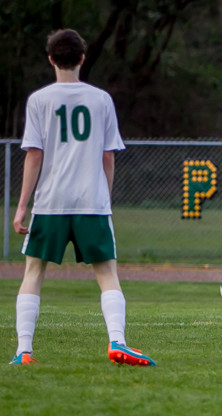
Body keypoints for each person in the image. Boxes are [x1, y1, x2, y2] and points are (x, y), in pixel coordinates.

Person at [9, 29, 155, 366]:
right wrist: (106, 198)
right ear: (82, 58)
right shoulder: (101, 99)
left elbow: (34, 155)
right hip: (92, 201)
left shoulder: (39, 100)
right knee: (107, 274)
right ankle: (117, 342)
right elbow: (108, 156)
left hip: (49, 202)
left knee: (33, 272)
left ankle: (24, 351)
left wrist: (20, 208)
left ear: (51, 59)